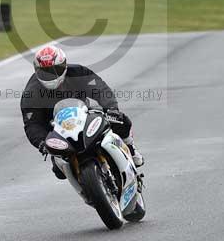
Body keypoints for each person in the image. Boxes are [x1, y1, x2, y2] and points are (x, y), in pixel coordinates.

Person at [20, 45, 144, 178]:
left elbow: (101, 90)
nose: (52, 75)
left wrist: (111, 108)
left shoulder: (78, 72)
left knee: (120, 121)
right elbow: (32, 124)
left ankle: (130, 147)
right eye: (46, 72)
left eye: (56, 70)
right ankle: (87, 192)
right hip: (57, 130)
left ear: (64, 66)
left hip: (84, 117)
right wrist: (42, 142)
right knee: (58, 171)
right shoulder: (31, 92)